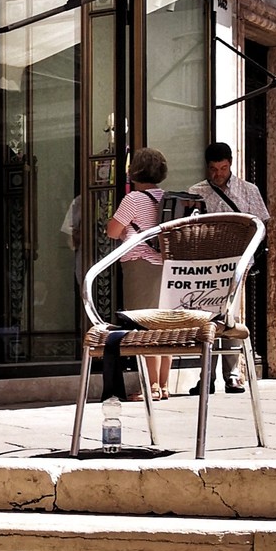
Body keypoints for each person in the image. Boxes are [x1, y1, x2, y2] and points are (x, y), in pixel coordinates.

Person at [189, 140, 269, 392]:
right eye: (213, 169)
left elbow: (262, 225)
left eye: (222, 168)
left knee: (231, 316)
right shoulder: (196, 191)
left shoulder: (248, 190)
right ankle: (206, 377)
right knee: (207, 318)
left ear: (230, 164)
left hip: (237, 263)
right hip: (206, 265)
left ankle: (233, 374)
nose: (218, 174)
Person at [105, 147, 171, 397]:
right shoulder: (166, 197)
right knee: (165, 325)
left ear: (135, 172)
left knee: (144, 325)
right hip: (165, 265)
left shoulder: (133, 199)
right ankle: (163, 385)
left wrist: (122, 229)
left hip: (140, 263)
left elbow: (112, 230)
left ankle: (151, 386)